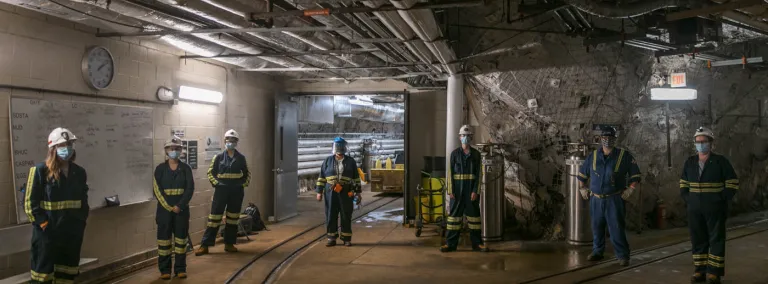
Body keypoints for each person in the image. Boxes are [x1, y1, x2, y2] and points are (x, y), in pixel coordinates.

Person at [25, 127, 89, 284]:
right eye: (62, 145)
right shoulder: (39, 171)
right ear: (53, 148)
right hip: (47, 235)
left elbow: (83, 202)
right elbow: (29, 203)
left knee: (66, 274)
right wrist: (44, 224)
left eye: (69, 144)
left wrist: (80, 222)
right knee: (42, 277)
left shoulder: (79, 172)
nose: (66, 148)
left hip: (71, 235)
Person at [680, 127, 737, 284]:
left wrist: (721, 199)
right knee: (698, 239)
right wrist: (688, 198)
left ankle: (714, 273)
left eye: (703, 141)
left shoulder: (720, 162)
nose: (700, 144)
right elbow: (683, 183)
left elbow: (732, 183)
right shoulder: (690, 162)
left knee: (716, 239)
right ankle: (700, 271)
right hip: (695, 209)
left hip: (715, 208)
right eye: (698, 142)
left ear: (710, 143)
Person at [577, 125, 641, 266]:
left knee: (616, 228)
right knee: (597, 227)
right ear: (600, 139)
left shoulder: (624, 156)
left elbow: (635, 174)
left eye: (610, 138)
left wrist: (630, 189)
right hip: (596, 199)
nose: (607, 140)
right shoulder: (593, 156)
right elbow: (582, 175)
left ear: (614, 139)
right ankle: (597, 252)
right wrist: (582, 189)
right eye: (604, 138)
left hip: (614, 199)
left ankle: (622, 255)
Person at [196, 129, 250, 255]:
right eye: (228, 140)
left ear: (236, 142)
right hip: (221, 192)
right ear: (224, 141)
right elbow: (210, 173)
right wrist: (217, 184)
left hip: (236, 192)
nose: (230, 142)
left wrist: (242, 184)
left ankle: (229, 243)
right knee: (214, 218)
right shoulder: (218, 157)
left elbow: (247, 174)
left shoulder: (241, 158)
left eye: (232, 140)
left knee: (233, 219)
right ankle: (205, 245)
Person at [441, 125, 489, 253]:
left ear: (471, 137)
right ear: (459, 137)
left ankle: (477, 244)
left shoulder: (476, 155)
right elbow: (450, 173)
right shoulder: (454, 154)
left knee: (474, 219)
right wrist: (450, 190)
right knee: (453, 219)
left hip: (470, 193)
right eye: (463, 136)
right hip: (456, 192)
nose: (465, 138)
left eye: (467, 136)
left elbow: (479, 175)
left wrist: (476, 191)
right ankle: (450, 244)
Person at [153, 136, 195, 279]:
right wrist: (168, 207)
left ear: (181, 150)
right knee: (164, 242)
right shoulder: (159, 169)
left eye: (177, 149)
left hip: (181, 211)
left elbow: (190, 188)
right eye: (171, 148)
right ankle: (165, 270)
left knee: (181, 241)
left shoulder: (186, 168)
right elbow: (156, 190)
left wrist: (179, 206)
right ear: (166, 150)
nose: (174, 151)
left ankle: (180, 268)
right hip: (164, 211)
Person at [315, 137, 362, 247]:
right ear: (334, 148)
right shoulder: (327, 161)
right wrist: (319, 192)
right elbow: (322, 177)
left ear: (345, 148)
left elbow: (356, 178)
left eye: (341, 147)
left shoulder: (351, 161)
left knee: (346, 214)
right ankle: (331, 238)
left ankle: (346, 238)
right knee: (331, 214)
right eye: (337, 147)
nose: (339, 149)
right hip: (330, 192)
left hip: (346, 191)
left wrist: (358, 193)